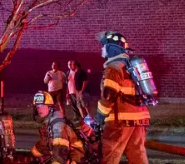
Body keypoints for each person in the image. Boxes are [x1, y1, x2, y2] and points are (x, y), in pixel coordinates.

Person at [90, 31, 150, 164]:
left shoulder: (113, 68)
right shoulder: (131, 67)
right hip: (140, 118)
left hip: (120, 120)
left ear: (111, 48)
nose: (102, 49)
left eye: (104, 46)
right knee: (137, 154)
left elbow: (109, 97)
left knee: (110, 154)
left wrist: (99, 119)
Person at [32, 90, 87, 164]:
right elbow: (45, 143)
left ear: (50, 107)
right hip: (64, 153)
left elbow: (60, 152)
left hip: (75, 157)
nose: (39, 109)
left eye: (42, 106)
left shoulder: (57, 126)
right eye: (37, 107)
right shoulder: (49, 122)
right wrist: (33, 154)